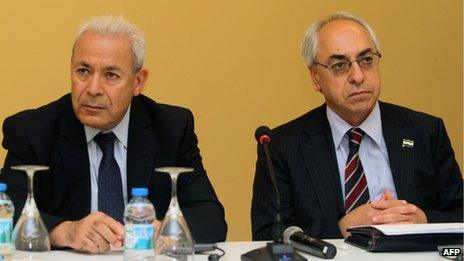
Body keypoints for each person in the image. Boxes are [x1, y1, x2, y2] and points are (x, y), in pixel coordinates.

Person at [1, 16, 227, 253]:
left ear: (138, 82)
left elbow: (210, 217)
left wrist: (166, 230)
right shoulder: (32, 131)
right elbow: (8, 207)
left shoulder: (171, 128)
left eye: (111, 75)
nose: (93, 89)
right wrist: (63, 230)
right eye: (83, 71)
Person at [251, 12, 463, 239]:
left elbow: (459, 212)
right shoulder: (282, 147)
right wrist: (341, 229)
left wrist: (424, 221)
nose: (358, 76)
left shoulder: (425, 132)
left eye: (367, 60)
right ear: (315, 77)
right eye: (339, 65)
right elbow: (268, 237)